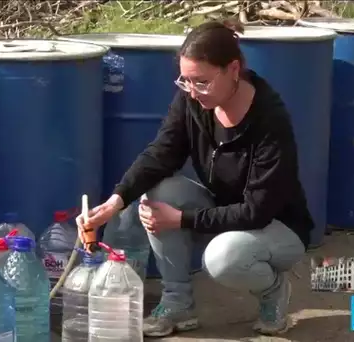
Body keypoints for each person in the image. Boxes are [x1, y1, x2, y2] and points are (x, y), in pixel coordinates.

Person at [76, 19, 313, 337]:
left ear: (233, 69)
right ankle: (178, 303)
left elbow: (257, 211)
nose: (192, 91)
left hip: (277, 228)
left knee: (225, 257)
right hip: (223, 213)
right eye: (185, 81)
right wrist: (115, 202)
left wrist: (183, 219)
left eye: (201, 81)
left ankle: (273, 290)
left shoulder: (270, 120)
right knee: (159, 192)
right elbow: (160, 154)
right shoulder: (194, 100)